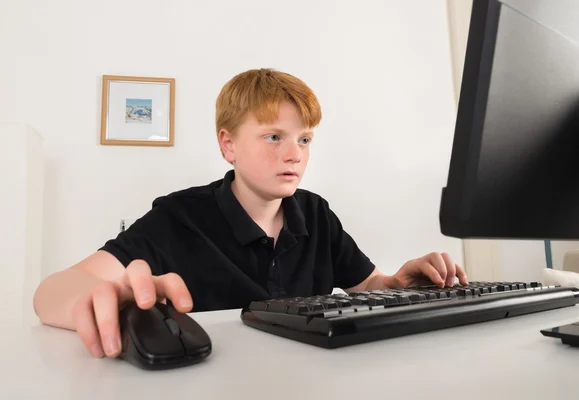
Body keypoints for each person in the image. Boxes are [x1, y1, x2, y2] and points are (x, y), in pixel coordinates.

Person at [33, 68, 468, 360]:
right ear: (228, 145)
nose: (293, 154)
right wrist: (107, 297)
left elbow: (367, 284)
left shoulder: (315, 213)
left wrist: (395, 283)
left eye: (304, 140)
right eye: (273, 136)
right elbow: (51, 292)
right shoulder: (179, 216)